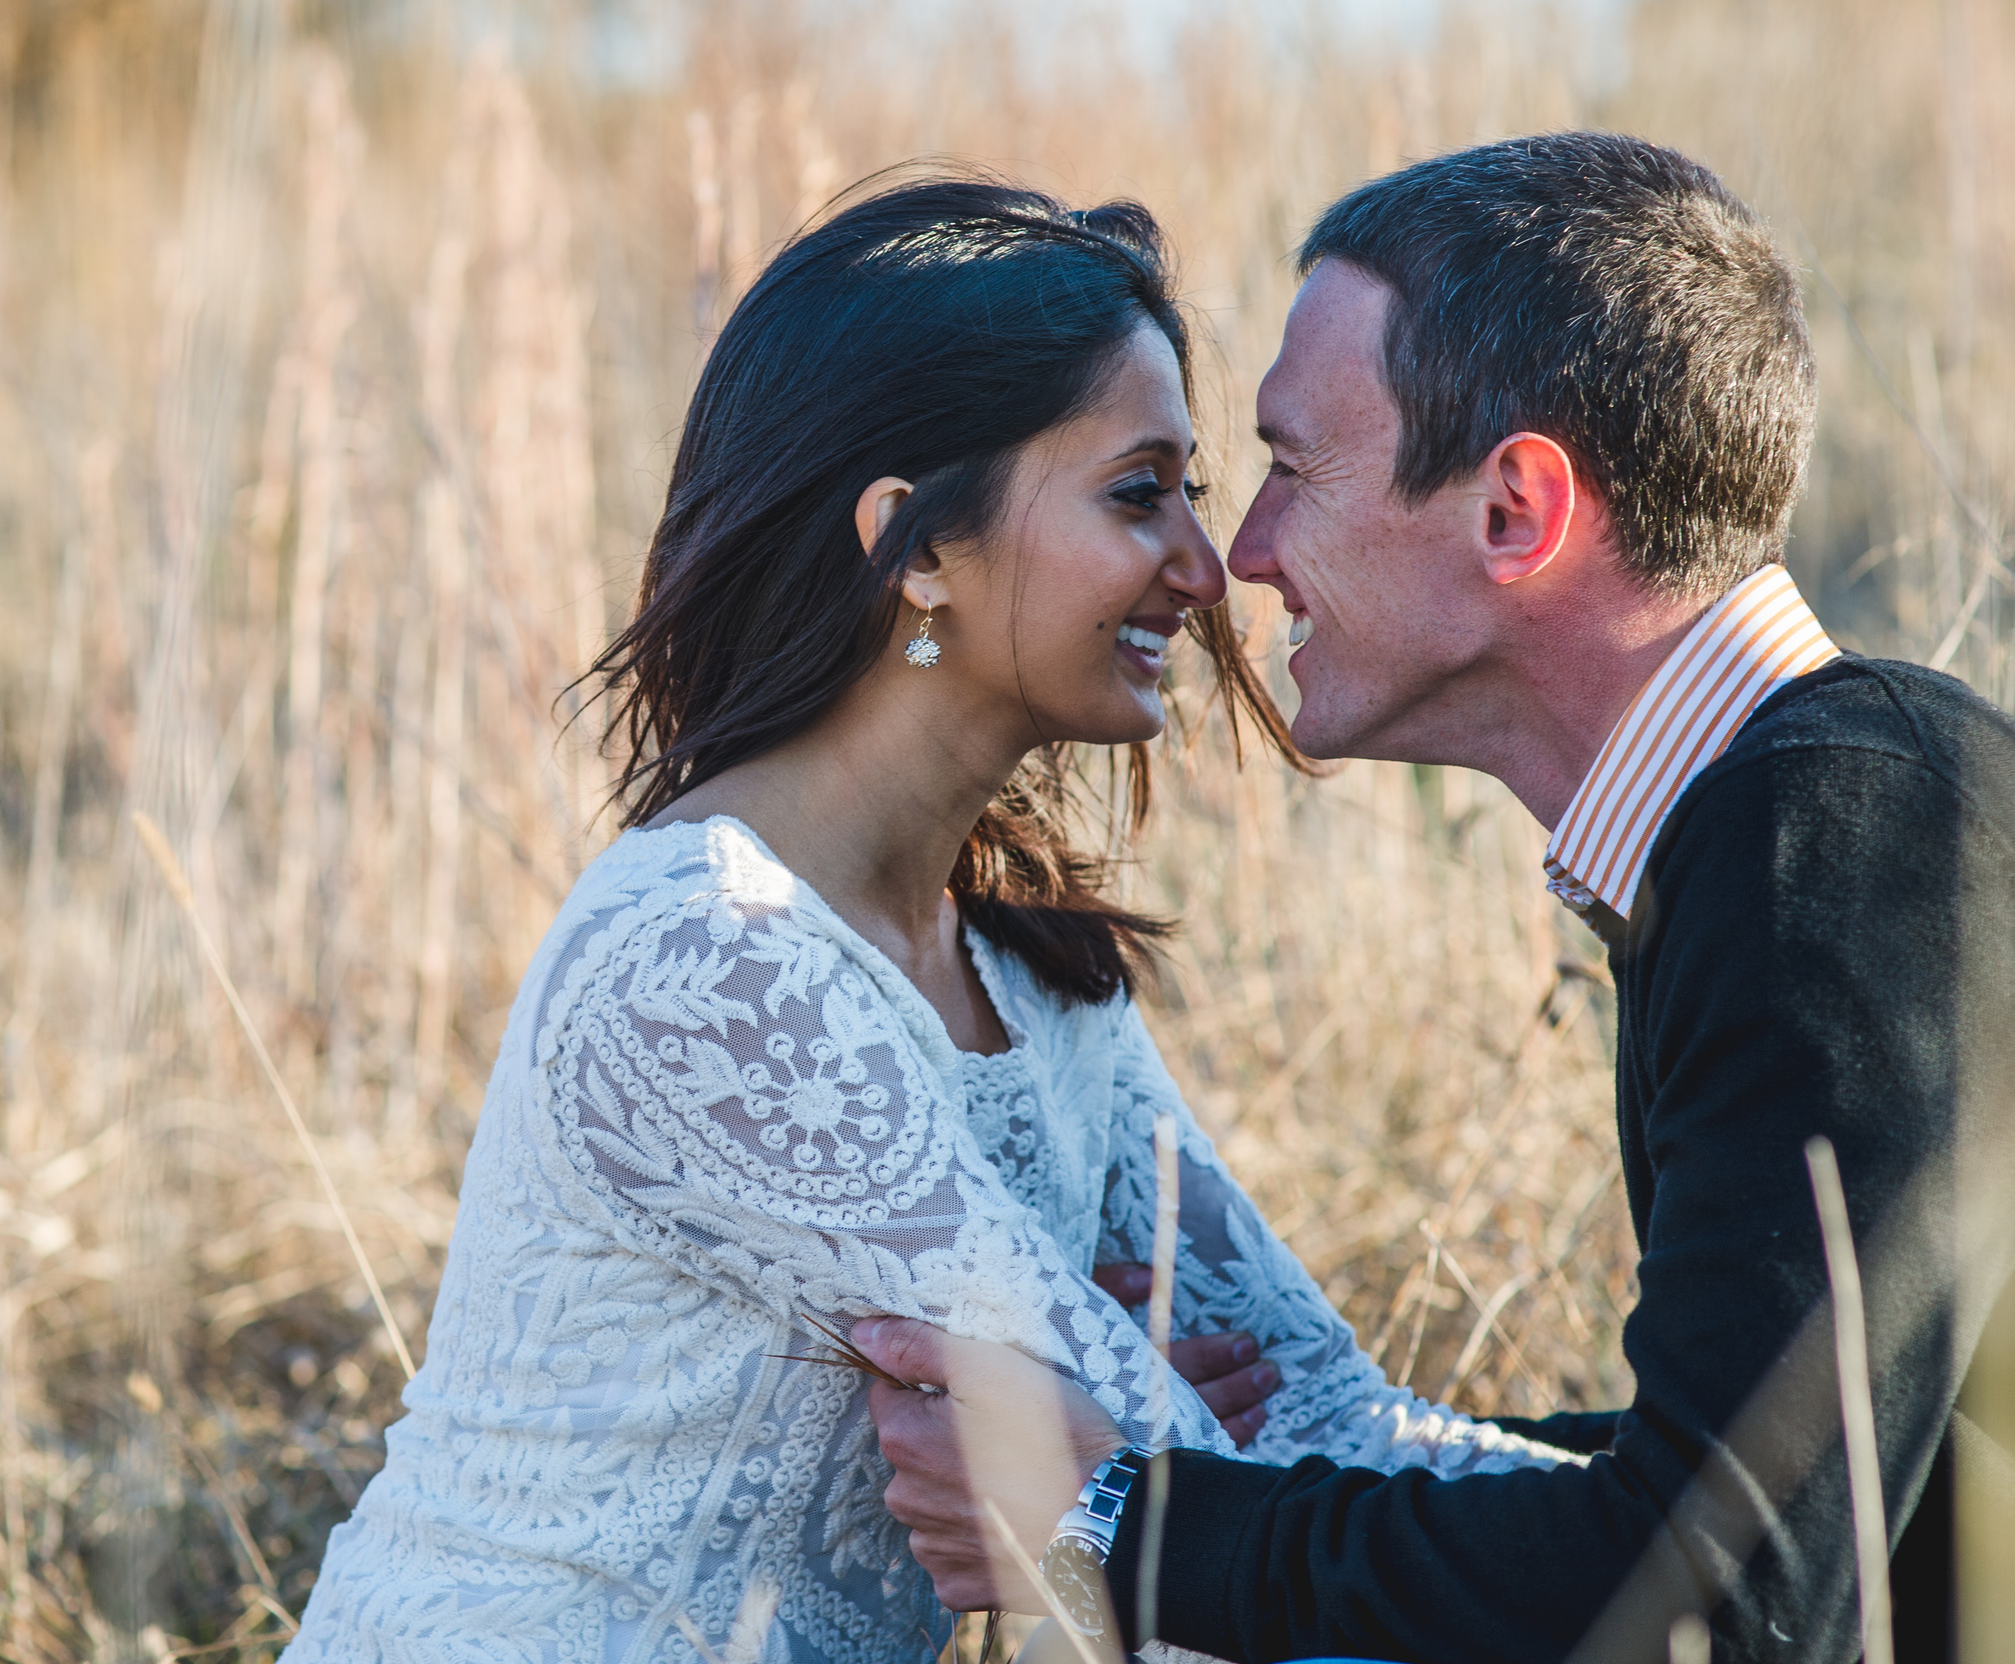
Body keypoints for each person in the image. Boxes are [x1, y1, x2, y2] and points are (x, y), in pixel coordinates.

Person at [279, 177, 1593, 1664]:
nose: (1203, 568)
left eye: (1193, 496)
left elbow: (1313, 1421)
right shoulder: (706, 962)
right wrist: (1131, 1448)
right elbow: (1153, 1520)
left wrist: (1724, 1550)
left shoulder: (1030, 973)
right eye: (1135, 493)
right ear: (912, 547)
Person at [857, 134, 2015, 1664]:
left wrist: (1119, 1528)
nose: (1240, 558)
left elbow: (1740, 1594)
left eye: (1290, 465)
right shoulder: (1822, 805)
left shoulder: (1828, 847)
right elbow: (1807, 1481)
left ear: (1515, 514)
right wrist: (1269, 1470)